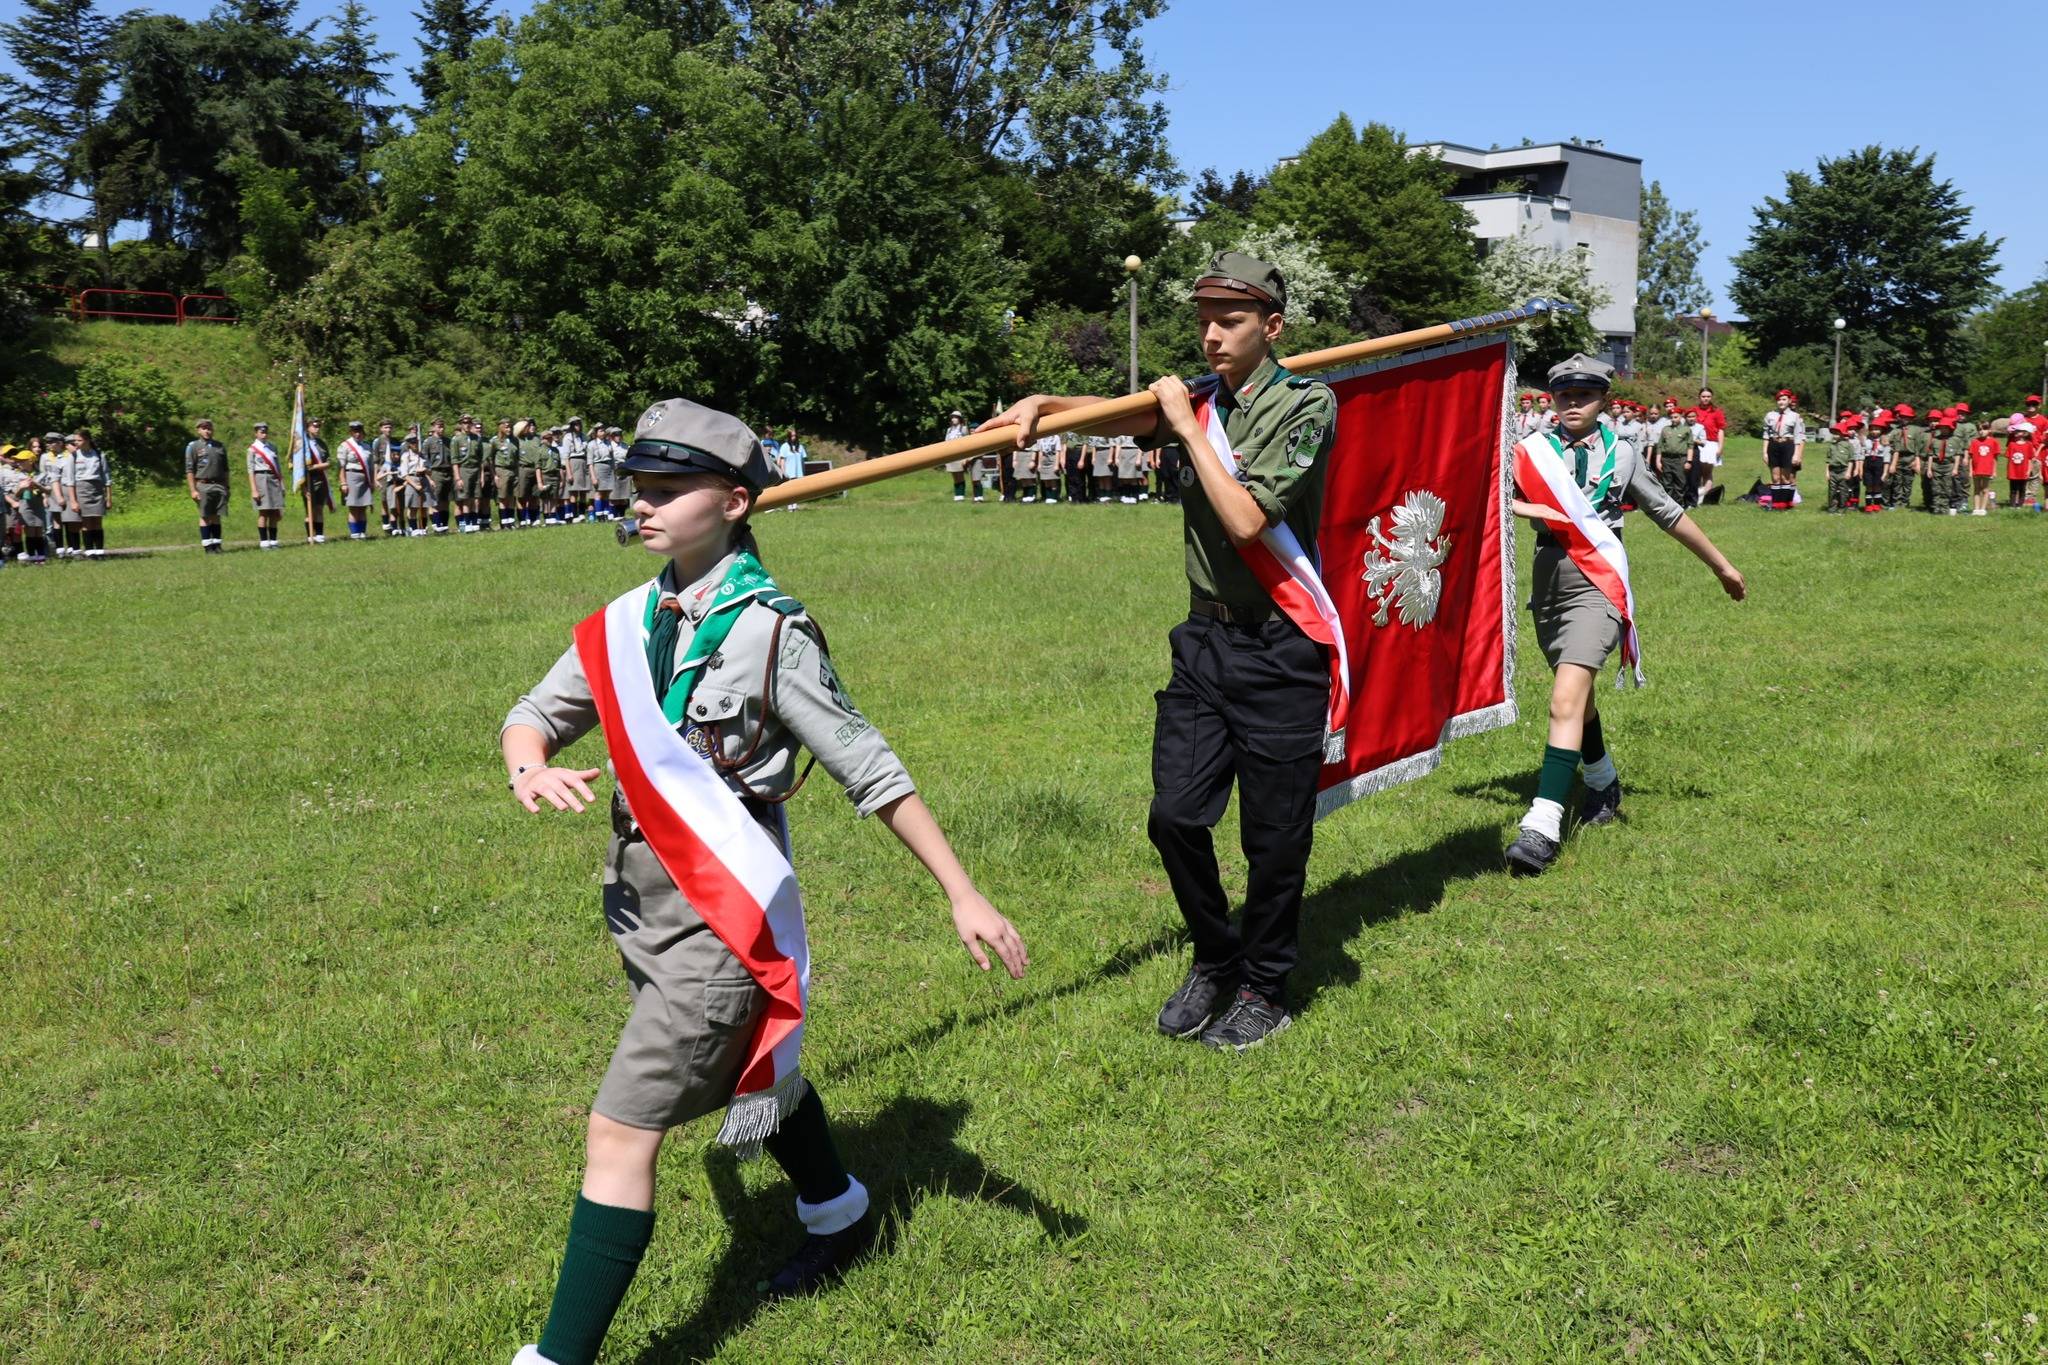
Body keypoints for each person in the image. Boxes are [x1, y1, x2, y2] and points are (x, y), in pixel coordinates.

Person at [500, 397, 1025, 1365]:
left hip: (724, 917)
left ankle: (556, 1358)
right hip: (643, 904)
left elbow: (870, 765)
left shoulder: (773, 633)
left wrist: (962, 890)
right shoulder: (630, 622)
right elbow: (532, 713)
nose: (644, 504)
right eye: (640, 486)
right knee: (756, 1060)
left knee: (618, 1132)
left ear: (736, 501)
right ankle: (838, 1208)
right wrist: (529, 766)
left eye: (669, 489)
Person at [985, 250, 1335, 1051]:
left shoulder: (1307, 405)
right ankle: (1216, 954)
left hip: (1280, 645)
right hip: (1204, 639)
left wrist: (1184, 422)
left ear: (1273, 327)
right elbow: (1118, 415)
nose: (1211, 336)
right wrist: (1047, 404)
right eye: (1204, 320)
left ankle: (1266, 985)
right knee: (1174, 815)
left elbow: (1247, 521)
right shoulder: (1200, 401)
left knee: (1274, 840)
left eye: (1230, 321)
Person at [1503, 354, 1746, 876]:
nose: (1573, 403)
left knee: (1564, 697)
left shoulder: (1623, 453)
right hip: (1549, 581)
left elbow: (1667, 512)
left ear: (1604, 401)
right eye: (1564, 395)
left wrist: (1722, 566)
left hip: (1600, 583)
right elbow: (1489, 497)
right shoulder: (1529, 450)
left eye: (1585, 395)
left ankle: (1541, 827)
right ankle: (1602, 781)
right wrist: (1528, 508)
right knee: (1577, 696)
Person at [185, 418, 231, 554]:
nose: (207, 431)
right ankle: (207, 546)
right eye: (204, 428)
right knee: (205, 515)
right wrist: (193, 490)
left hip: (219, 485)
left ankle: (217, 544)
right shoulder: (193, 446)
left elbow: (226, 469)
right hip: (203, 485)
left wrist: (227, 487)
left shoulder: (219, 446)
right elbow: (190, 470)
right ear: (198, 430)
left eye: (209, 428)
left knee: (217, 515)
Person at [246, 421, 284, 551]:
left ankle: (273, 541)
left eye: (266, 432)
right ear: (256, 433)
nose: (264, 434)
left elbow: (278, 467)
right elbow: (250, 470)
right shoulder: (252, 449)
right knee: (264, 511)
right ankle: (264, 542)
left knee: (274, 511)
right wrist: (254, 489)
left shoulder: (272, 447)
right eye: (261, 432)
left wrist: (281, 483)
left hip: (273, 478)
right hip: (260, 478)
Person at [337, 420, 377, 539]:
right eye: (355, 431)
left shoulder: (366, 446)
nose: (357, 434)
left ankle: (362, 532)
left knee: (363, 506)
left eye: (359, 431)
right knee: (354, 507)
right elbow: (341, 466)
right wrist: (343, 483)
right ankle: (355, 533)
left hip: (365, 478)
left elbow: (371, 466)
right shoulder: (345, 446)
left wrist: (372, 481)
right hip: (351, 476)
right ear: (351, 432)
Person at [1763, 390, 1804, 500]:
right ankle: (1777, 503)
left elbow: (1798, 437)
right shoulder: (1770, 415)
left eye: (1784, 399)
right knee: (1775, 477)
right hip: (1773, 445)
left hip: (1787, 445)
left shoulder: (1795, 416)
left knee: (1785, 478)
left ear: (1789, 401)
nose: (1781, 402)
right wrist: (1765, 452)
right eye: (1779, 400)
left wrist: (1796, 454)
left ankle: (1787, 502)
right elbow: (1766, 435)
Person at [301, 417, 333, 544]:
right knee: (310, 509)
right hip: (308, 480)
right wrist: (303, 486)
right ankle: (310, 536)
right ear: (308, 427)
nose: (317, 429)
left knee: (319, 508)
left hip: (321, 478)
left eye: (319, 426)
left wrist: (316, 466)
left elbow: (328, 461)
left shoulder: (321, 443)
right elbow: (298, 466)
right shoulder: (302, 444)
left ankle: (319, 535)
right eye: (314, 426)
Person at [1926, 410, 1964, 516]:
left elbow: (1957, 455)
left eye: (1946, 428)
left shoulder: (1955, 440)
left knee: (1947, 488)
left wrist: (1955, 468)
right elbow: (1930, 455)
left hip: (1948, 466)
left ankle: (1944, 508)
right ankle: (1936, 508)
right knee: (1936, 488)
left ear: (1950, 429)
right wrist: (1929, 469)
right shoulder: (1935, 440)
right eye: (1942, 428)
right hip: (1936, 466)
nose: (1943, 430)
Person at [1693, 387, 1726, 503]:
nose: (1706, 399)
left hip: (1711, 443)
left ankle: (1706, 496)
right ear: (1699, 397)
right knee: (1696, 471)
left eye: (1708, 396)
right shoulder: (1694, 410)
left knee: (1707, 472)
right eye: (1703, 396)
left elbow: (1721, 430)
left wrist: (1720, 447)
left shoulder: (1717, 412)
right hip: (1696, 443)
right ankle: (1696, 495)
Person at [1825, 416, 1862, 513]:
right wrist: (1827, 472)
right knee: (1832, 491)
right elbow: (1828, 460)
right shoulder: (1832, 446)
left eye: (1837, 433)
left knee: (1843, 491)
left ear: (1842, 433)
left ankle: (1842, 509)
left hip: (1843, 470)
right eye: (1834, 433)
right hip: (1833, 470)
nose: (1835, 435)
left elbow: (1851, 460)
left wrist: (1849, 472)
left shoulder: (1848, 445)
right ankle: (1832, 508)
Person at [423, 418, 453, 534]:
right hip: (435, 472)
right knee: (435, 501)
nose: (441, 428)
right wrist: (429, 478)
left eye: (442, 426)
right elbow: (425, 461)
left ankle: (444, 526)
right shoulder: (428, 442)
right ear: (433, 427)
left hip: (448, 472)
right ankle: (437, 526)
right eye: (439, 426)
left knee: (445, 501)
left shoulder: (448, 441)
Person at [373, 420, 402, 537]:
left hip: (394, 472)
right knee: (384, 500)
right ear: (381, 429)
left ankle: (396, 525)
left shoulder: (396, 441)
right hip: (383, 473)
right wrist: (375, 478)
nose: (388, 429)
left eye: (390, 427)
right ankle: (386, 525)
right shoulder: (377, 442)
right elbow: (375, 461)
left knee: (394, 500)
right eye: (385, 427)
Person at [490, 419, 520, 530]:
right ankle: (504, 522)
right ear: (501, 427)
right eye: (506, 427)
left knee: (512, 497)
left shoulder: (514, 440)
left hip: (513, 470)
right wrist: (494, 475)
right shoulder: (495, 441)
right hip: (501, 470)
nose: (509, 429)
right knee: (503, 497)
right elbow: (490, 459)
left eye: (510, 427)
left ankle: (511, 522)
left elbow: (517, 457)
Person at [1968, 420, 1999, 515]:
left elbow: (1995, 458)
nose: (1982, 431)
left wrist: (1994, 471)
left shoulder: (1993, 442)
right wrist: (1970, 470)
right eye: (1980, 429)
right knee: (1977, 489)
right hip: (1976, 470)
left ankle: (1983, 509)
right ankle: (1976, 509)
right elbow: (1971, 458)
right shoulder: (1974, 442)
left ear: (1989, 430)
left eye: (1984, 429)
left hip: (1987, 470)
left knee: (1985, 489)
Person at [2007, 417, 2037, 510]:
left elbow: (2030, 459)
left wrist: (2028, 470)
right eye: (2015, 431)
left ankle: (2020, 505)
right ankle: (2012, 505)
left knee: (2022, 489)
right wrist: (2009, 471)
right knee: (2013, 489)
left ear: (2024, 433)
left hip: (2023, 471)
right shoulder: (2011, 444)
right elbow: (2009, 458)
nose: (2015, 432)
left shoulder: (2029, 445)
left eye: (2018, 431)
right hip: (2013, 471)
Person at [943, 409, 972, 502]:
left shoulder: (963, 429)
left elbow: (967, 442)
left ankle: (961, 495)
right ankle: (957, 494)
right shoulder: (949, 430)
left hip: (960, 455)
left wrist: (966, 457)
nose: (953, 419)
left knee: (960, 475)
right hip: (950, 455)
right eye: (952, 417)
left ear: (959, 419)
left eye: (955, 417)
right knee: (954, 476)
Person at [1031, 431, 1063, 503]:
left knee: (1053, 479)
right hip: (1044, 460)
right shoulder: (1041, 438)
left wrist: (1056, 464)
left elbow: (1058, 451)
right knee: (1046, 480)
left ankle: (1054, 497)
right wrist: (1039, 464)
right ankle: (1048, 497)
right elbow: (1040, 452)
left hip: (1053, 458)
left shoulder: (1056, 437)